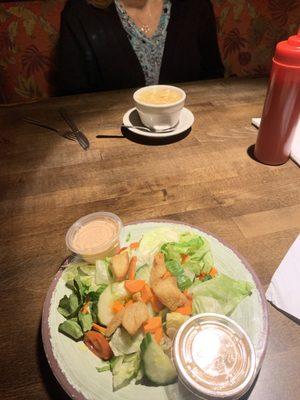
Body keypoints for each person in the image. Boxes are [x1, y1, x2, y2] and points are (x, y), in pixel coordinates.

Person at [57, 0, 224, 96]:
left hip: (193, 136)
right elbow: (72, 100)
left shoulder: (195, 5)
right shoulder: (79, 13)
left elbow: (213, 77)